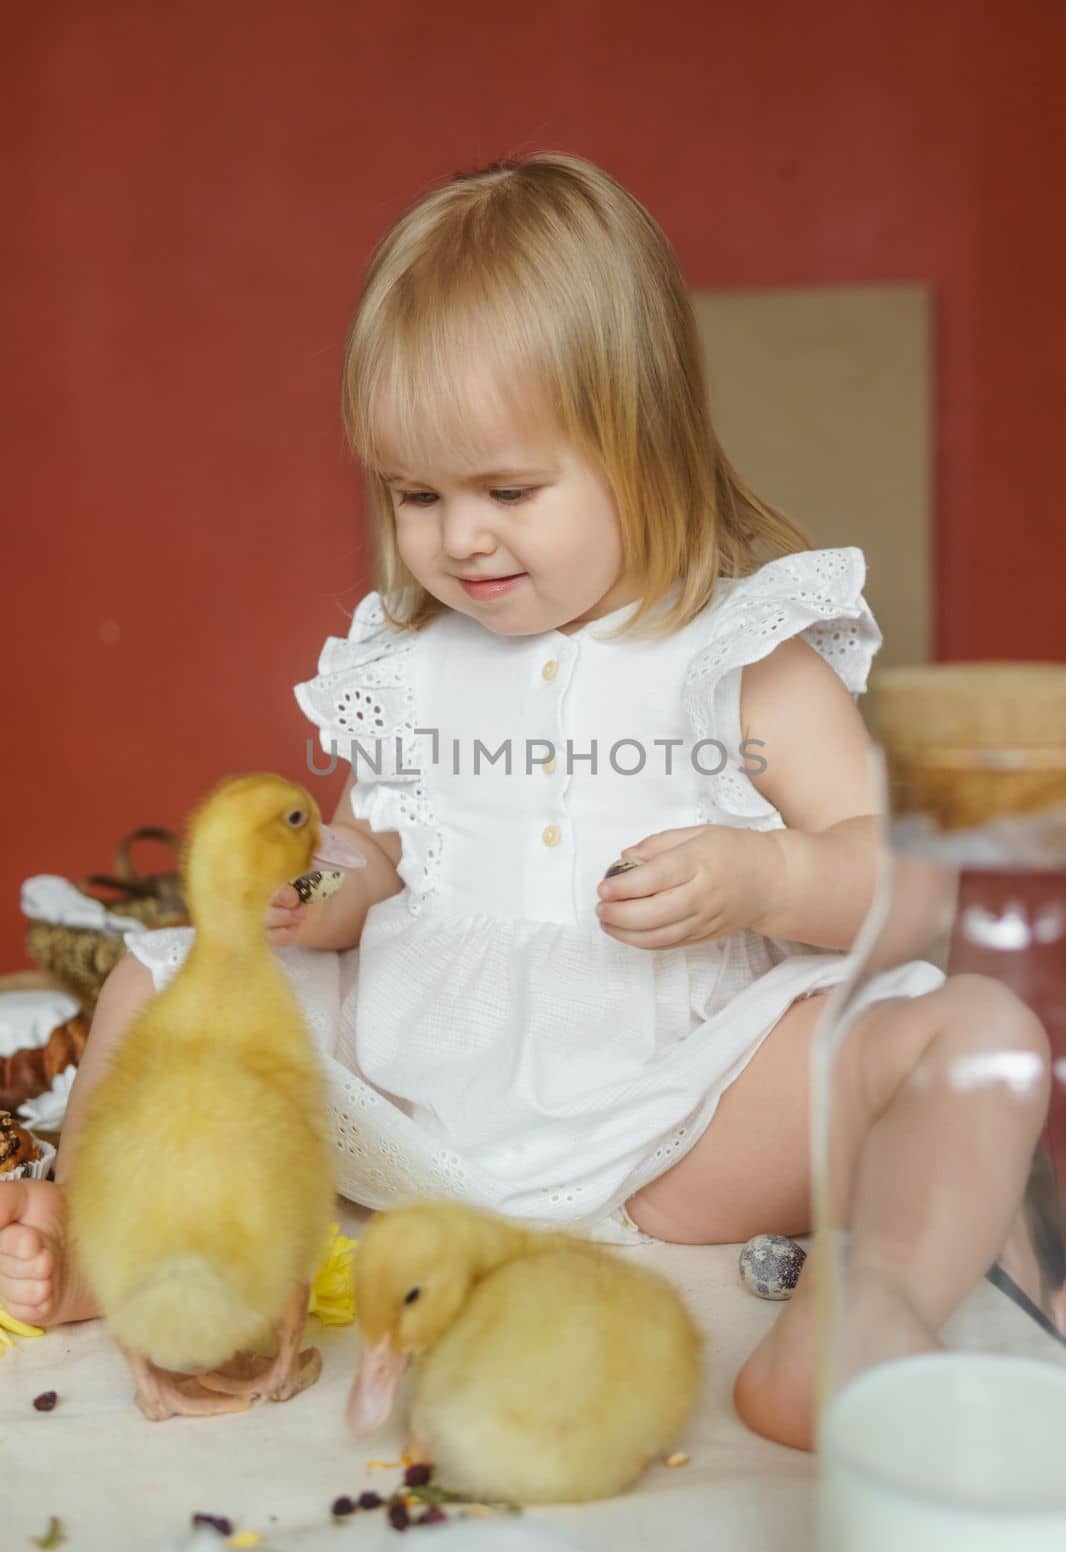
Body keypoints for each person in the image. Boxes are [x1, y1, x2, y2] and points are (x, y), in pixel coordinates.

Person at [0, 153, 1048, 1451]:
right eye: (416, 496)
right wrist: (325, 892)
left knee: (972, 1030)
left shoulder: (738, 658)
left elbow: (912, 888)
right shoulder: (413, 658)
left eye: (506, 491)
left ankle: (856, 1329)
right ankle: (118, 1252)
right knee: (156, 971)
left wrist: (766, 880)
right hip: (414, 1113)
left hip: (681, 1124)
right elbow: (383, 846)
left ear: (641, 445)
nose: (460, 541)